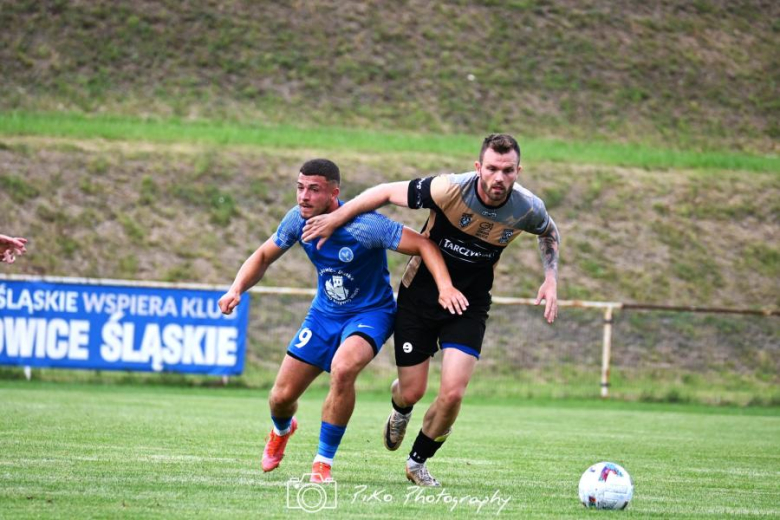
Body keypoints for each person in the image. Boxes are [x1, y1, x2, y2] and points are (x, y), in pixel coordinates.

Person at [301, 134, 560, 486]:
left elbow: (548, 232)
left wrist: (550, 278)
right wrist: (335, 219)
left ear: (518, 171)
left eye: (508, 170)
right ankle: (400, 408)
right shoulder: (447, 189)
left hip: (469, 303)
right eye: (493, 168)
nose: (499, 178)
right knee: (412, 391)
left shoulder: (527, 208)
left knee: (453, 393)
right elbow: (382, 192)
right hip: (420, 297)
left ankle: (418, 461)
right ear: (478, 167)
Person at [218, 158, 468, 484]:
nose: (303, 197)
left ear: (334, 193)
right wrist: (236, 288)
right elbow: (264, 255)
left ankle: (323, 462)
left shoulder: (364, 226)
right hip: (323, 316)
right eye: (300, 188)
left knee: (343, 367)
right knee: (280, 398)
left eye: (314, 190)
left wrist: (445, 286)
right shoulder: (298, 220)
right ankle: (282, 429)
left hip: (370, 315)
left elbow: (422, 244)